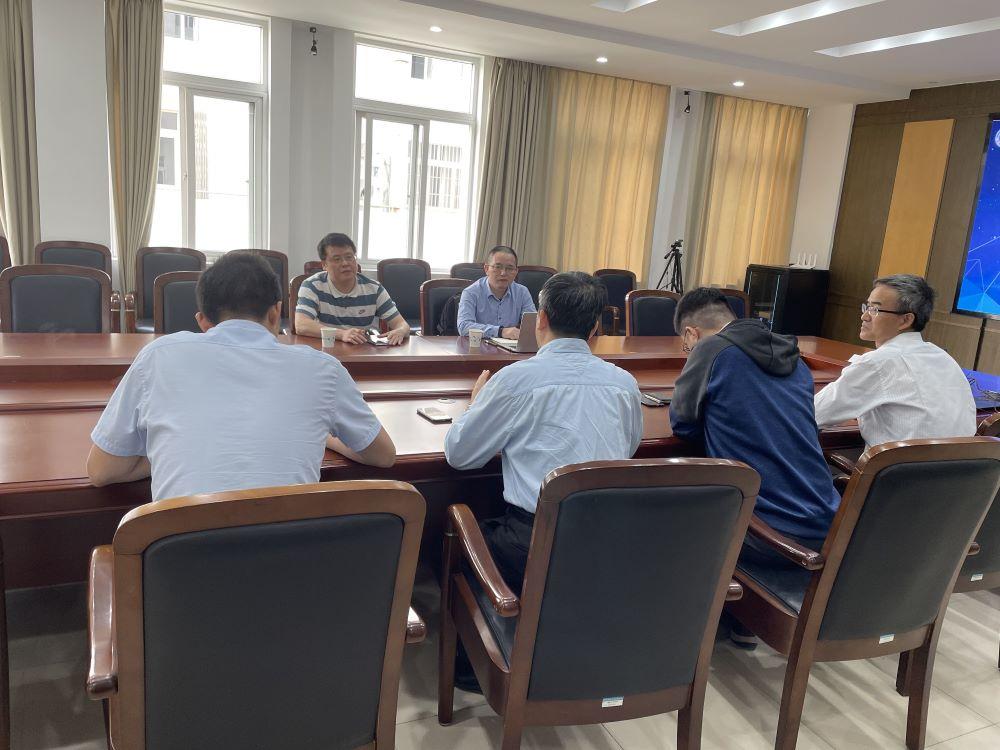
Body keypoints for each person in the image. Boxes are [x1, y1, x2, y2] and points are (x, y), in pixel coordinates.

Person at [88, 251, 395, 501]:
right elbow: (383, 455)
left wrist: (166, 448)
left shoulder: (158, 356)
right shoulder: (323, 369)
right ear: (275, 313)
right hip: (291, 557)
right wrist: (324, 437)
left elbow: (102, 470)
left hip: (180, 558)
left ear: (203, 321)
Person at [445, 271, 643, 593]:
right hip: (607, 542)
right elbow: (629, 448)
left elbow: (459, 455)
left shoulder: (514, 380)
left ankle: (477, 621)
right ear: (595, 326)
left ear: (541, 318)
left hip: (533, 544)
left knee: (458, 537)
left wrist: (475, 405)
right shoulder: (625, 383)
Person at [670, 287, 840, 556]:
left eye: (686, 345)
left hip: (772, 536)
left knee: (669, 517)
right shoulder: (792, 357)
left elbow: (683, 424)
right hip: (832, 526)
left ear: (692, 333)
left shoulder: (710, 349)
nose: (688, 351)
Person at [814, 274, 975, 447]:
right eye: (867, 307)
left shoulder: (878, 362)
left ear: (905, 320)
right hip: (959, 463)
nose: (864, 316)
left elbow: (814, 414)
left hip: (900, 464)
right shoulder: (943, 357)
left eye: (875, 310)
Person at [295, 233, 410, 345]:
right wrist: (342, 334)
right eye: (337, 259)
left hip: (360, 351)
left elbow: (402, 324)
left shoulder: (374, 289)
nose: (345, 263)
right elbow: (301, 325)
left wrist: (400, 331)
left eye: (349, 257)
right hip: (326, 349)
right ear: (324, 265)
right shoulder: (313, 286)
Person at [456, 245, 536, 339]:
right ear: (486, 269)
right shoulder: (471, 293)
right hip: (479, 346)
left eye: (509, 268)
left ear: (516, 271)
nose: (503, 273)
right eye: (498, 267)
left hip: (510, 347)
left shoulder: (522, 292)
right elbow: (464, 327)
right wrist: (500, 331)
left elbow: (533, 326)